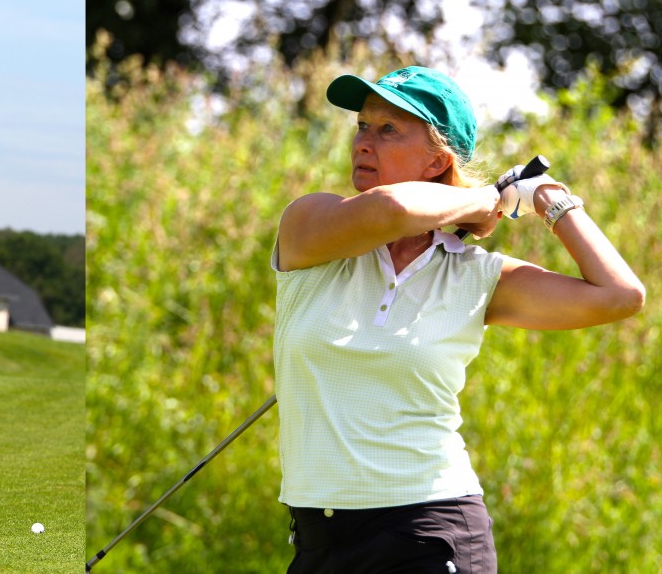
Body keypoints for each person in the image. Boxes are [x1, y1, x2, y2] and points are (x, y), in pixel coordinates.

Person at [272, 66, 644, 573]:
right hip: (319, 540)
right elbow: (390, 210)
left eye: (388, 131)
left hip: (431, 534)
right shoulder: (311, 227)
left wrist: (549, 198)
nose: (363, 143)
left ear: (436, 161)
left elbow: (620, 295)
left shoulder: (477, 276)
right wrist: (487, 199)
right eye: (362, 126)